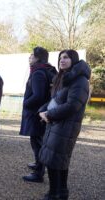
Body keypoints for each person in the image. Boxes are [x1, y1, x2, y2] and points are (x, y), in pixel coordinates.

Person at [38, 50, 90, 200]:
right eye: (60, 58)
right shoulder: (64, 78)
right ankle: (62, 192)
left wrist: (48, 114)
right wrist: (42, 110)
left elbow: (73, 105)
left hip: (66, 125)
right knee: (59, 159)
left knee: (55, 160)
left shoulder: (79, 81)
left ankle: (54, 194)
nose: (62, 60)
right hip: (56, 123)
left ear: (73, 60)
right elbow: (56, 100)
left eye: (66, 57)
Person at [19, 47, 58, 183]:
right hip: (40, 112)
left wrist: (25, 103)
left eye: (31, 56)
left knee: (37, 142)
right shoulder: (47, 69)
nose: (29, 58)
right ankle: (38, 164)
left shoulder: (38, 72)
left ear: (37, 58)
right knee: (38, 141)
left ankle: (38, 173)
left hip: (36, 113)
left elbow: (38, 96)